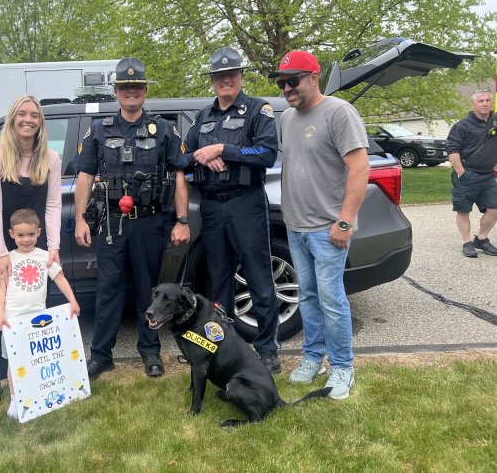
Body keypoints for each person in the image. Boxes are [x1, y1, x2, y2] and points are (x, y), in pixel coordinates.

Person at [74, 57, 190, 379]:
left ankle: (150, 352)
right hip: (112, 224)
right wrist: (82, 219)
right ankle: (101, 356)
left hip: (150, 223)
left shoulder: (164, 130)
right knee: (108, 289)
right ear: (116, 91)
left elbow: (180, 174)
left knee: (148, 290)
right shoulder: (99, 130)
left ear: (145, 90)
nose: (131, 91)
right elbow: (84, 176)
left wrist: (182, 220)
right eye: (125, 87)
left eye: (137, 86)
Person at [269, 50, 370, 400]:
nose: (287, 88)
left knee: (331, 298)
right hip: (295, 226)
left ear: (314, 77)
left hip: (328, 228)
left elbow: (360, 168)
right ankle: (313, 357)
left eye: (293, 80)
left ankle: (342, 366)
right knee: (308, 296)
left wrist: (345, 221)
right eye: (282, 83)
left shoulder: (339, 112)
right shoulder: (286, 120)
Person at [183, 46, 281, 373]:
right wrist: (203, 156)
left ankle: (267, 348)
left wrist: (224, 148)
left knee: (258, 276)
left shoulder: (258, 110)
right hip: (212, 207)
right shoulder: (203, 117)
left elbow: (267, 154)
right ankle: (223, 346)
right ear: (213, 81)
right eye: (219, 76)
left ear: (240, 76)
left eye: (231, 74)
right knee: (218, 282)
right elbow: (185, 158)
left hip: (246, 204)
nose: (226, 80)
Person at [0, 95, 62, 411]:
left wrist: (53, 247)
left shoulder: (50, 158)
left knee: (33, 314)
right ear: (13, 118)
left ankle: (30, 378)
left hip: (35, 251)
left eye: (35, 115)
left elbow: (53, 205)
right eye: (23, 114)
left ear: (40, 122)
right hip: (2, 251)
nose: (29, 120)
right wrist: (1, 253)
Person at [0, 208, 80, 419]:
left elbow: (60, 278)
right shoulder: (8, 260)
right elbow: (0, 289)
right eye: (21, 235)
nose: (26, 239)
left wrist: (73, 301)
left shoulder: (45, 257)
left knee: (36, 360)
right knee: (14, 363)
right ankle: (16, 400)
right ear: (11, 234)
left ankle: (37, 395)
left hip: (39, 321)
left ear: (39, 232)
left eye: (31, 234)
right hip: (13, 322)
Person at [445, 89, 497, 258]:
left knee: (494, 208)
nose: (485, 103)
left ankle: (481, 239)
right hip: (467, 174)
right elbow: (452, 149)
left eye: (488, 100)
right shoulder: (462, 126)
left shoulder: (494, 123)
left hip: (488, 176)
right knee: (463, 209)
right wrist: (460, 171)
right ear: (473, 104)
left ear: (492, 103)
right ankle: (467, 242)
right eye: (481, 101)